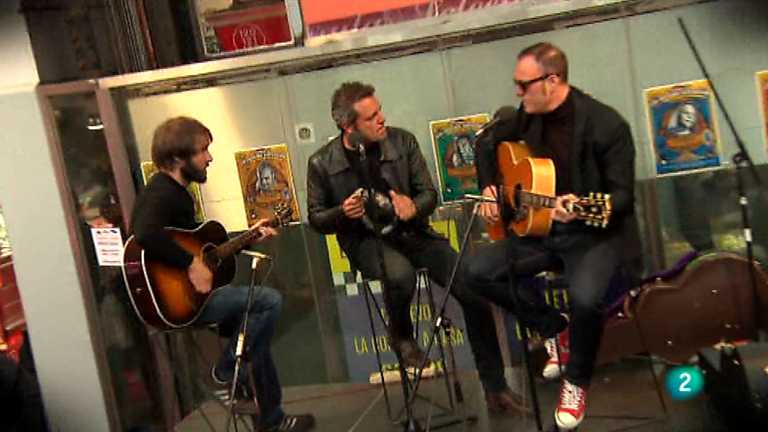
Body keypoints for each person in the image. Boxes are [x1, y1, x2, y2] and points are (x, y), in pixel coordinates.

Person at [306, 82, 529, 415]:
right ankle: (402, 335)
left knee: (472, 288)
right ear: (348, 126)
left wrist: (414, 206)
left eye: (380, 110)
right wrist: (342, 212)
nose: (382, 119)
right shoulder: (321, 163)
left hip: (413, 232)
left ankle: (496, 389)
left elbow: (429, 193)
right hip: (365, 241)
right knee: (400, 275)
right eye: (371, 116)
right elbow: (316, 218)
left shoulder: (403, 141)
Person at [465, 42, 642, 430]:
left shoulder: (607, 125)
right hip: (542, 231)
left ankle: (576, 382)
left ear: (552, 80)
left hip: (593, 235)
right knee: (476, 272)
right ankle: (553, 328)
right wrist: (491, 187)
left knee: (585, 298)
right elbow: (485, 142)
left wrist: (581, 207)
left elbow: (624, 197)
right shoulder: (528, 116)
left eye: (523, 84)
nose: (517, 92)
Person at [130, 117, 315, 432]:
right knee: (268, 301)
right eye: (202, 151)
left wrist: (248, 238)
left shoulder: (178, 194)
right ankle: (225, 371)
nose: (209, 158)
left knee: (254, 336)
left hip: (189, 297)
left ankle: (271, 419)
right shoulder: (161, 192)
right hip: (177, 302)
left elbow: (205, 252)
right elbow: (144, 233)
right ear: (178, 158)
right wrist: (191, 264)